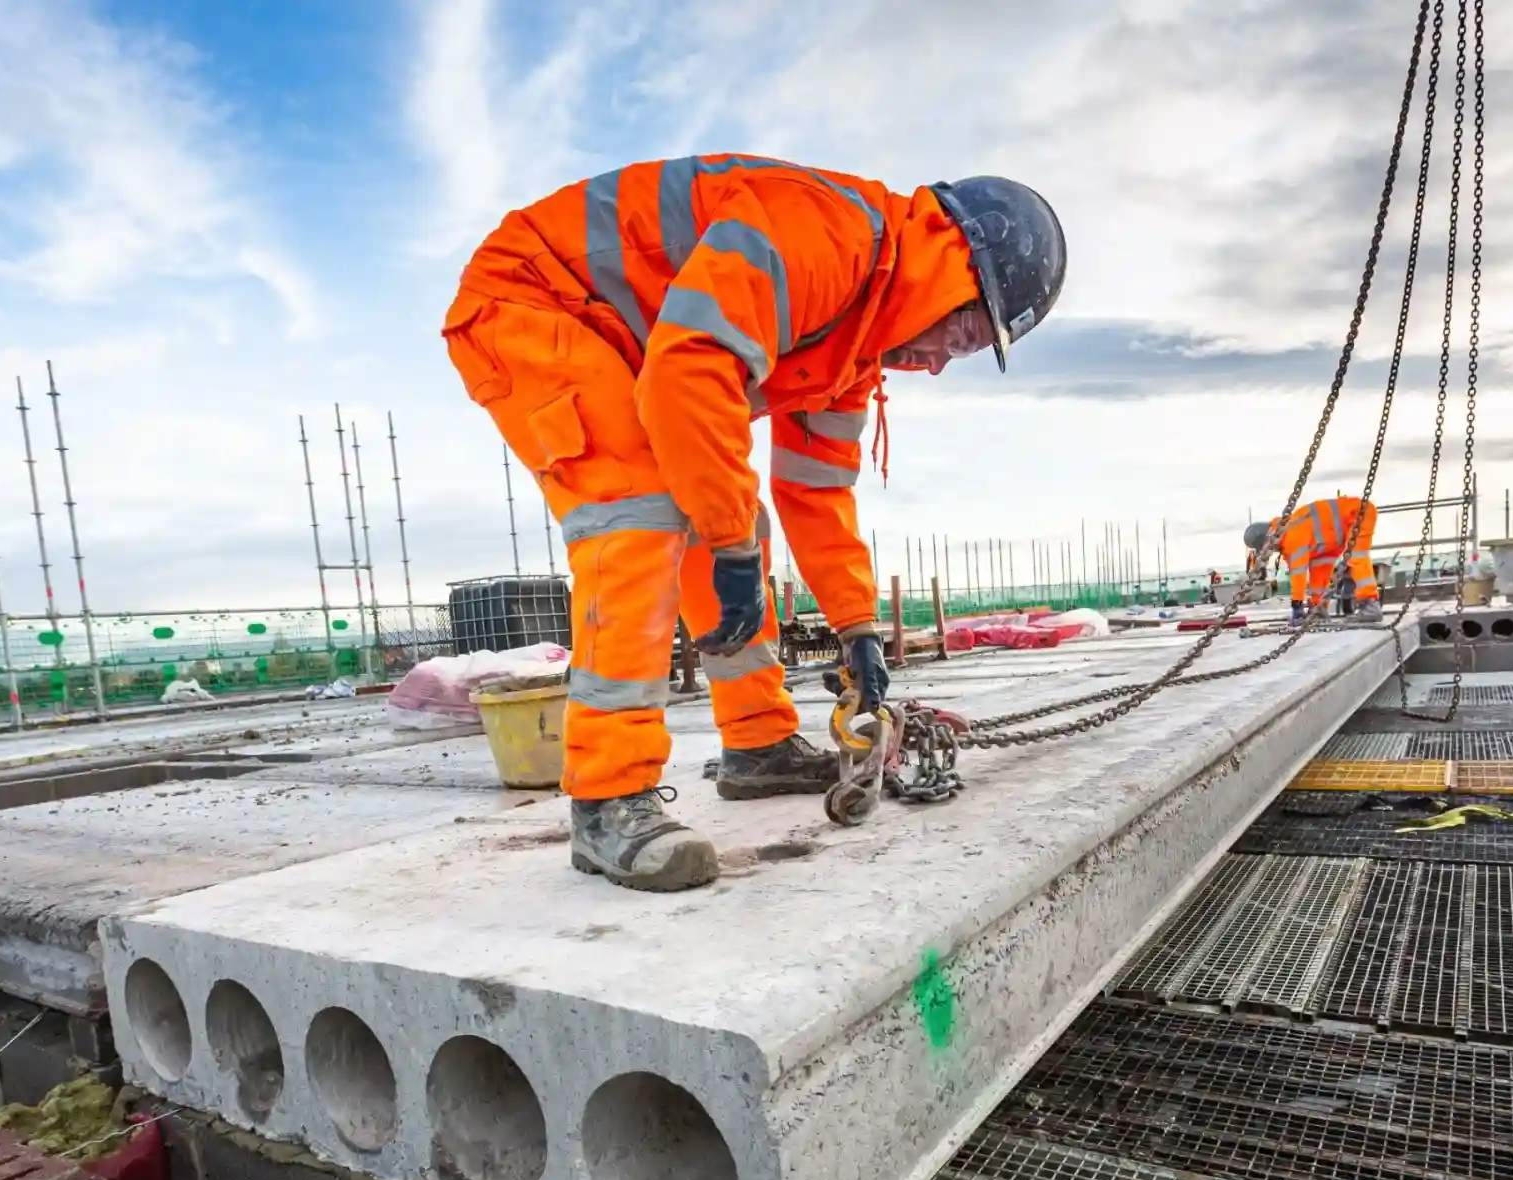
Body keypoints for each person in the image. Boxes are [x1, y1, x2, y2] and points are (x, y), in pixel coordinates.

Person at [444, 156, 1066, 891]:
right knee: (641, 511)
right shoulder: (823, 237)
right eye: (963, 338)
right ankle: (608, 799)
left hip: (635, 344)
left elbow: (818, 495)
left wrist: (857, 630)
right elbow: (688, 371)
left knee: (728, 513)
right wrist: (732, 547)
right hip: (537, 299)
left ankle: (758, 744)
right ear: (954, 270)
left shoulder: (850, 349)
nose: (937, 366)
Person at [1245, 493, 1380, 624]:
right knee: (1320, 569)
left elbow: (1298, 573)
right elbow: (1318, 575)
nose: (1270, 551)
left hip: (1358, 514)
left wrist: (1297, 605)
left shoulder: (1292, 535)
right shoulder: (1293, 533)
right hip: (1331, 537)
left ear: (1268, 537)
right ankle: (1319, 608)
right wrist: (1317, 604)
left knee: (1356, 556)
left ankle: (1370, 604)